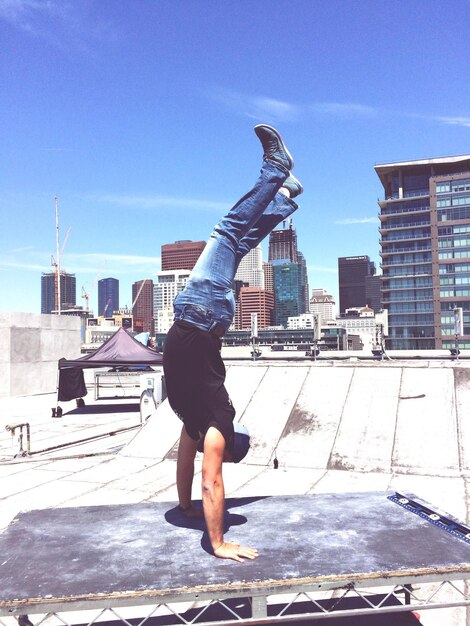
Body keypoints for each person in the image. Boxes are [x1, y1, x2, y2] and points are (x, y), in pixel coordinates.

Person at [163, 125, 303, 562]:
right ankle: (275, 173)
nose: (210, 450)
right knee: (226, 233)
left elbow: (189, 471)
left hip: (202, 314)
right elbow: (211, 480)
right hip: (201, 312)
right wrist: (217, 542)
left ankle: (282, 189)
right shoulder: (213, 424)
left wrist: (185, 508)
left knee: (235, 240)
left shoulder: (195, 425)